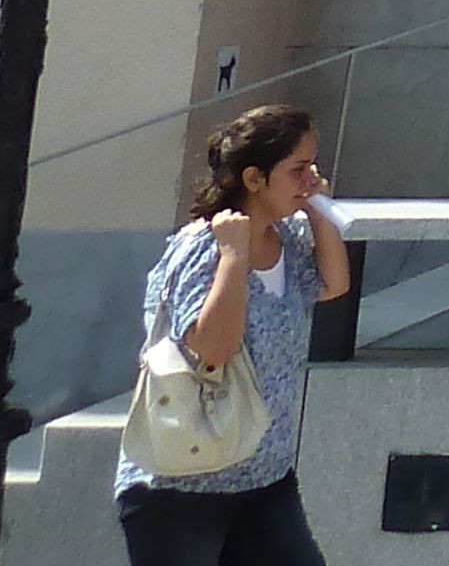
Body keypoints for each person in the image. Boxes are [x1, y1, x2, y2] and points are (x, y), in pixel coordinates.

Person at [115, 102, 352, 565]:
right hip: (182, 486)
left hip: (264, 480)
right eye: (298, 170)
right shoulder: (202, 248)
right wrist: (233, 257)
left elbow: (333, 284)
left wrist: (320, 211)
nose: (310, 180)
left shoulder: (289, 239)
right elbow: (214, 349)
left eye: (313, 168)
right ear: (253, 179)